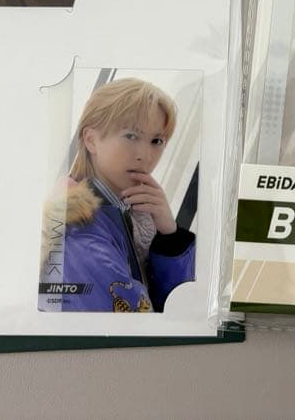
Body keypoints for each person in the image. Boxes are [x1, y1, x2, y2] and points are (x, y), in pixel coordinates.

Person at [43, 78, 195, 312]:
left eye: (156, 141)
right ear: (91, 140)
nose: (145, 155)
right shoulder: (79, 233)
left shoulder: (133, 218)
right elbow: (150, 327)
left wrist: (169, 238)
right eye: (131, 136)